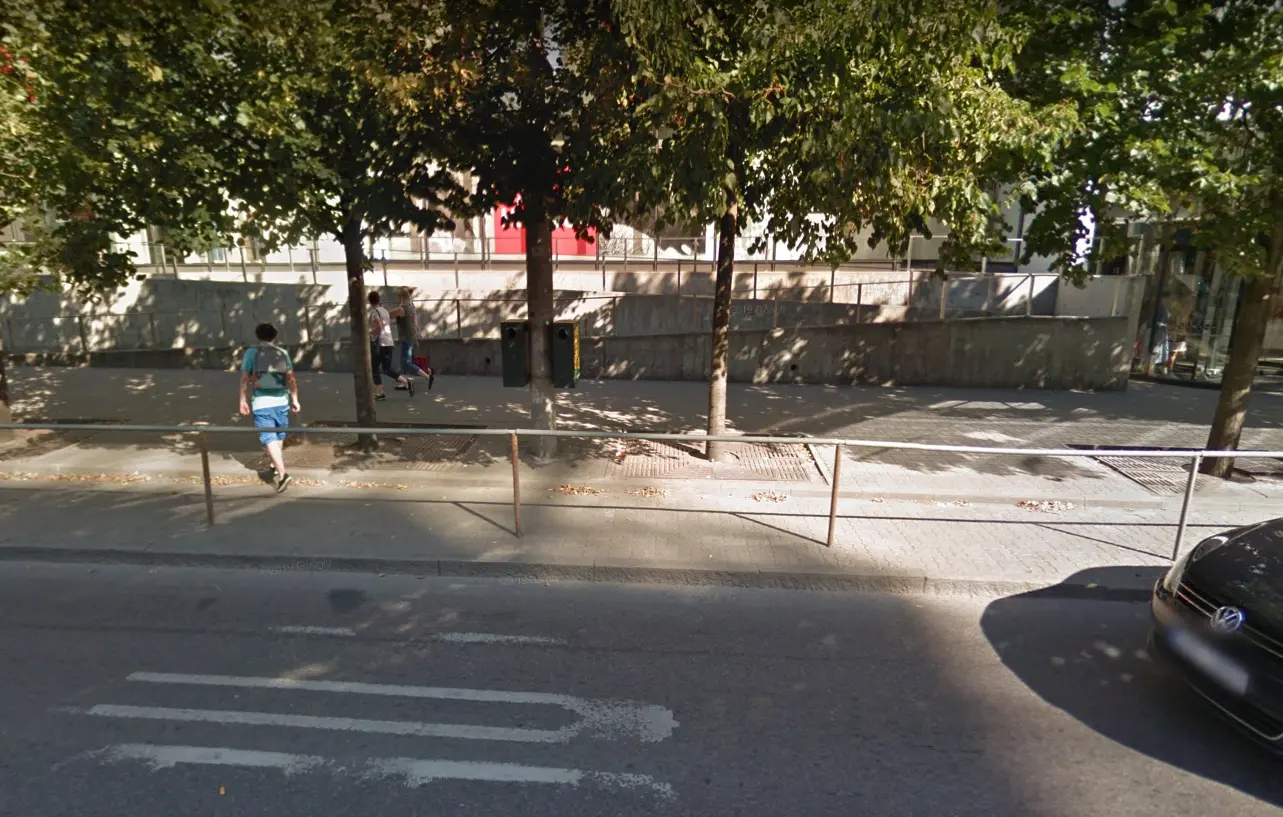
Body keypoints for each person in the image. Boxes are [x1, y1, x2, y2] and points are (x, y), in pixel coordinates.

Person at [239, 323, 300, 493]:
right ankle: (275, 465)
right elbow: (291, 379)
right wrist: (295, 399)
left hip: (261, 402)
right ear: (275, 336)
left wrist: (243, 400)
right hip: (281, 401)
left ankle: (283, 474)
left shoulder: (251, 353)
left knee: (268, 438)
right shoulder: (282, 353)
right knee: (278, 436)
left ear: (257, 336)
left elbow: (244, 378)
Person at [368, 290, 413, 400]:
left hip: (380, 343)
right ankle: (406, 382)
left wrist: (369, 333)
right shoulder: (384, 311)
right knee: (387, 368)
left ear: (369, 301)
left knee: (374, 368)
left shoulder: (374, 312)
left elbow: (379, 327)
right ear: (379, 299)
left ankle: (380, 393)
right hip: (389, 341)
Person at [389, 286, 434, 391]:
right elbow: (415, 320)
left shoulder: (402, 308)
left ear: (401, 297)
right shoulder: (412, 306)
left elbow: (388, 315)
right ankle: (404, 383)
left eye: (398, 297)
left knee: (406, 362)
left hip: (406, 338)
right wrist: (417, 332)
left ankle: (428, 377)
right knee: (405, 361)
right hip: (411, 337)